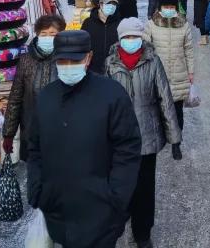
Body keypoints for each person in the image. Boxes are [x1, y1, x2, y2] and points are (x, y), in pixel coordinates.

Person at [27, 30, 142, 248]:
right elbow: (34, 148)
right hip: (58, 211)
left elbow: (127, 149)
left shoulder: (111, 95)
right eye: (62, 60)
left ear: (88, 58)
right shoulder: (46, 97)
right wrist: (38, 190)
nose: (68, 65)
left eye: (75, 60)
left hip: (100, 214)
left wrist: (115, 198)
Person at [105, 18, 182, 248]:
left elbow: (165, 100)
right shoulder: (110, 64)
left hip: (147, 135)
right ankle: (122, 218)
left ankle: (143, 233)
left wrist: (174, 138)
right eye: (127, 37)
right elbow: (103, 103)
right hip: (119, 139)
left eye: (135, 37)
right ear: (120, 39)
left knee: (145, 188)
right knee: (120, 184)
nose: (131, 41)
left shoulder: (152, 61)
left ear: (142, 38)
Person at [2, 14, 65, 160]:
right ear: (37, 35)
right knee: (35, 176)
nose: (48, 37)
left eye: (53, 34)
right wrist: (8, 133)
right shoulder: (25, 61)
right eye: (44, 33)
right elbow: (15, 99)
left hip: (61, 132)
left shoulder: (66, 60)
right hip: (31, 131)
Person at [144, 0, 194, 132]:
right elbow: (146, 50)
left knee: (178, 112)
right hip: (158, 75)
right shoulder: (151, 25)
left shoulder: (183, 25)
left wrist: (191, 72)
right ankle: (163, 137)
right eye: (166, 7)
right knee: (160, 110)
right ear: (160, 8)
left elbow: (188, 50)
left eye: (172, 7)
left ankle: (176, 143)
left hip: (179, 75)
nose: (169, 10)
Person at [81, 0, 122, 74]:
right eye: (108, 3)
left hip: (115, 69)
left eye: (114, 4)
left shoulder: (120, 23)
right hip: (93, 69)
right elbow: (82, 44)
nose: (111, 6)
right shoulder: (88, 22)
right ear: (101, 4)